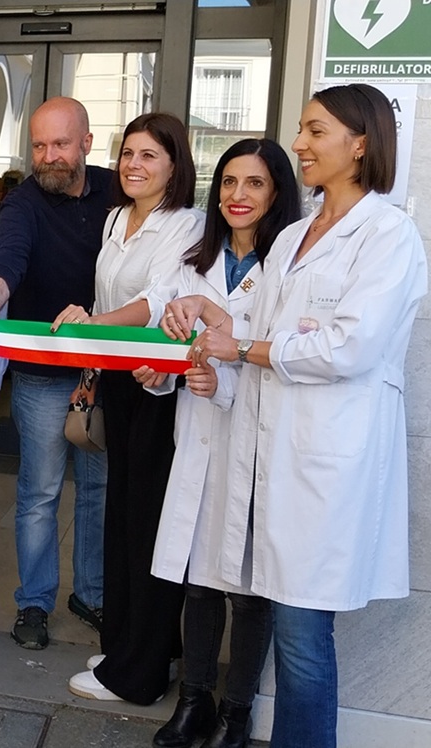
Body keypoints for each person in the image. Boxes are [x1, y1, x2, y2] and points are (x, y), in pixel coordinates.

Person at [169, 84, 426, 748]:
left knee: (304, 638)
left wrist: (241, 347)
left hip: (329, 467)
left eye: (315, 131)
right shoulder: (289, 239)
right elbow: (260, 339)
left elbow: (348, 348)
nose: (300, 144)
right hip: (273, 459)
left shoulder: (388, 235)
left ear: (360, 143)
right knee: (286, 627)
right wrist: (215, 332)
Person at [143, 139, 300, 748]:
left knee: (250, 590)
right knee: (200, 577)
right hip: (199, 437)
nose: (238, 195)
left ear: (277, 192)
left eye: (255, 183)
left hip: (256, 443)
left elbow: (282, 358)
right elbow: (168, 343)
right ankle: (195, 702)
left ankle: (238, 712)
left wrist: (224, 379)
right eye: (229, 182)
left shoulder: (287, 269)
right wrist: (160, 374)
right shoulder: (193, 263)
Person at [56, 112, 204, 704]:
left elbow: (156, 301)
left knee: (147, 524)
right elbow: (106, 295)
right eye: (128, 154)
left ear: (174, 165)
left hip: (157, 387)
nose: (134, 165)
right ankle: (132, 645)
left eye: (149, 155)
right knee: (121, 515)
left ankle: (139, 674)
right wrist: (93, 350)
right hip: (118, 380)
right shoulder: (117, 217)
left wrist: (94, 325)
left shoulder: (187, 223)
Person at [0, 97, 112, 651]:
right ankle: (34, 601)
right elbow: (10, 256)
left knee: (98, 489)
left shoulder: (116, 191)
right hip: (42, 372)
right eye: (39, 145)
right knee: (39, 493)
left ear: (86, 143)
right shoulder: (23, 201)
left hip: (103, 371)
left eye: (60, 144)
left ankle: (92, 595)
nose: (48, 156)